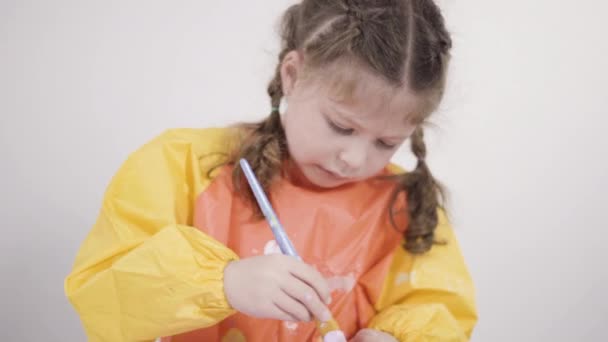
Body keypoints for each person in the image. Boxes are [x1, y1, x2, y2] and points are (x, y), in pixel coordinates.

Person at [65, 0, 478, 341]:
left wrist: (392, 339)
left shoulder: (405, 209)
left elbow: (440, 312)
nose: (354, 158)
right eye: (341, 126)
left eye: (386, 142)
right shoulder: (182, 167)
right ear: (293, 76)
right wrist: (223, 282)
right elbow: (101, 292)